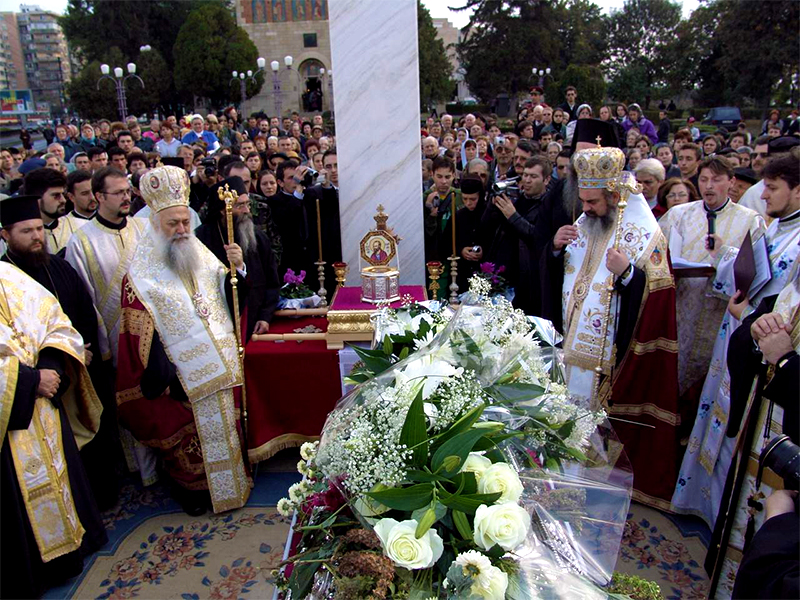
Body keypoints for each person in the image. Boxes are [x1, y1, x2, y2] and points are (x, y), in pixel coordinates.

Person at [540, 144, 681, 510]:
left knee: (595, 428)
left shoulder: (644, 233)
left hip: (609, 359)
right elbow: (566, 278)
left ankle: (592, 493)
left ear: (615, 196)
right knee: (566, 417)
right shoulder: (584, 224)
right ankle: (562, 479)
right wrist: (554, 249)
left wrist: (629, 273)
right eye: (582, 201)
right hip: (569, 349)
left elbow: (661, 294)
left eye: (593, 202)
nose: (585, 208)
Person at [671, 153, 800, 531]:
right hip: (734, 334)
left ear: (797, 190)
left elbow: (784, 308)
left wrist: (749, 313)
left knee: (740, 433)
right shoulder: (774, 228)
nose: (764, 195)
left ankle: (727, 522)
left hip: (761, 350)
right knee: (718, 418)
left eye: (772, 188)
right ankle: (703, 505)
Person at [116, 165, 251, 516]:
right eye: (172, 224)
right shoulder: (139, 276)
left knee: (225, 428)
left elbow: (229, 296)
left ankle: (232, 485)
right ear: (155, 225)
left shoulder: (200, 254)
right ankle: (193, 491)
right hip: (178, 375)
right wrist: (168, 373)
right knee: (189, 439)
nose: (180, 230)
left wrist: (237, 270)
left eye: (185, 222)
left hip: (219, 365)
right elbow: (139, 332)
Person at [1, 194, 121, 510]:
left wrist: (81, 349)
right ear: (6, 235)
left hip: (80, 367)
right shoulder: (5, 279)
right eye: (26, 231)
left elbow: (85, 311)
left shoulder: (59, 266)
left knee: (94, 435)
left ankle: (102, 497)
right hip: (39, 380)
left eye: (39, 229)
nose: (36, 236)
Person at [0, 259, 106, 599]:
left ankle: (70, 552)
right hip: (11, 418)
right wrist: (31, 381)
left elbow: (55, 323)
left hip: (44, 402)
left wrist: (50, 368)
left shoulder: (9, 276)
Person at [706, 270, 799, 598]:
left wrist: (786, 361)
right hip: (760, 438)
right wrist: (755, 329)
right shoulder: (791, 291)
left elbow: (783, 358)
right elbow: (753, 330)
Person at [65, 166, 156, 486]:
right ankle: (140, 470)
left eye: (127, 191)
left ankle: (163, 464)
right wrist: (103, 347)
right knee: (127, 404)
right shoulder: (81, 241)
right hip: (114, 340)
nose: (126, 198)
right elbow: (84, 300)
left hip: (151, 335)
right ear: (99, 197)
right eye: (118, 193)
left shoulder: (144, 229)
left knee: (155, 398)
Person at [659, 156, 766, 409]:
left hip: (722, 316)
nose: (708, 186)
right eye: (704, 179)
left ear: (731, 182)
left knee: (711, 384)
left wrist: (724, 254)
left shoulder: (750, 220)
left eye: (716, 180)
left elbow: (756, 271)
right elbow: (656, 255)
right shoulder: (678, 215)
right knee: (673, 375)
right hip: (681, 309)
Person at [196, 176, 280, 338]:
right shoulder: (202, 239)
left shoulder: (258, 237)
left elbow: (272, 282)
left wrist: (265, 316)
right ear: (223, 210)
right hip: (216, 323)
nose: (247, 210)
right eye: (240, 205)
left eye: (247, 204)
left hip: (253, 321)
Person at [302, 149, 342, 299]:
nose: (334, 170)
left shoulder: (356, 189)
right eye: (329, 166)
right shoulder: (314, 193)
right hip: (328, 252)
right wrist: (327, 188)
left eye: (337, 165)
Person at [23, 167, 74, 256]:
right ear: (37, 199)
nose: (63, 200)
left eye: (63, 194)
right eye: (56, 195)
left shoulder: (78, 226)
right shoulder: (19, 235)